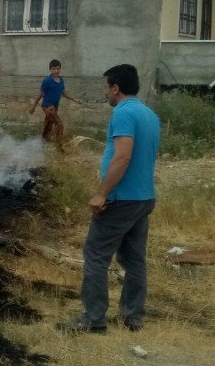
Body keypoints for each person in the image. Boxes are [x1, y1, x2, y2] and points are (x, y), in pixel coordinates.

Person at [58, 64, 160, 334]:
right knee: (134, 259)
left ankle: (93, 319)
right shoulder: (149, 114)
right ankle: (132, 317)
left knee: (96, 255)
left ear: (116, 88)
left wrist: (102, 193)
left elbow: (123, 156)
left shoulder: (123, 114)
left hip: (121, 199)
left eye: (107, 87)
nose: (106, 92)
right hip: (144, 197)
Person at [28, 59, 82, 151]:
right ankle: (59, 147)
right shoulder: (47, 81)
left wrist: (75, 99)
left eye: (58, 69)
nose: (56, 71)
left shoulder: (61, 80)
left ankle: (39, 145)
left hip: (54, 107)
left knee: (47, 127)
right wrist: (33, 107)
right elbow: (40, 94)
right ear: (50, 69)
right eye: (54, 69)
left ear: (60, 69)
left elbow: (64, 93)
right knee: (60, 125)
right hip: (48, 107)